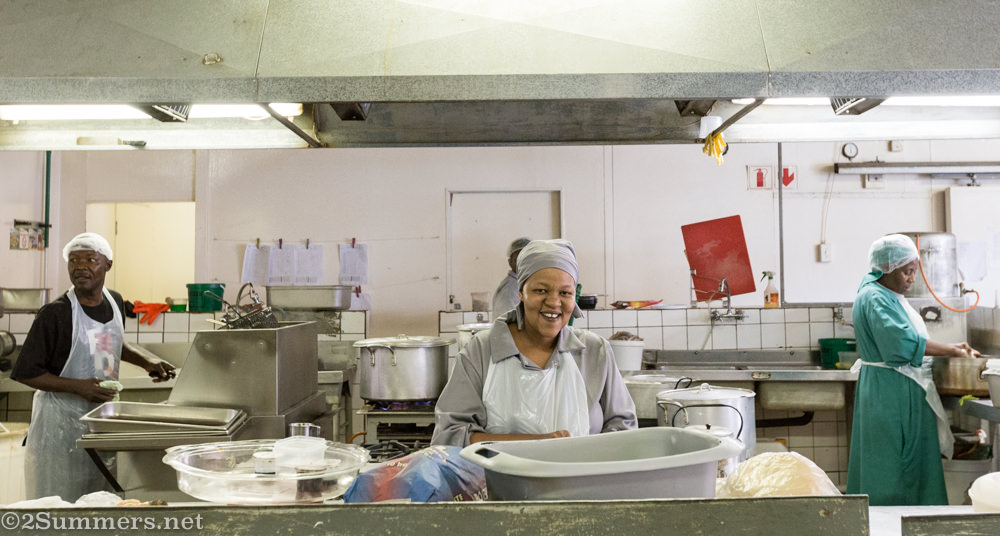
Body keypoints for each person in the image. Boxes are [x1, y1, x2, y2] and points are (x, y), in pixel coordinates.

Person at [11, 232, 176, 501]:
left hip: (100, 422)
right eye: (74, 260)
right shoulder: (56, 313)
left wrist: (146, 360)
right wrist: (79, 388)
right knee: (60, 502)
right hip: (58, 428)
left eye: (90, 259)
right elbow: (27, 371)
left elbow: (105, 342)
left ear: (108, 264)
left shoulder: (114, 301)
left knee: (100, 498)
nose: (80, 267)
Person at [433, 239, 636, 446]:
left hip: (581, 477)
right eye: (541, 290)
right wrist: (541, 443)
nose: (554, 302)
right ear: (521, 292)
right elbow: (449, 436)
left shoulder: (595, 351)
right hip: (496, 478)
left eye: (565, 293)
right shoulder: (482, 350)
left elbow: (624, 429)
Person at [846, 234, 980, 506]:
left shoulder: (886, 295)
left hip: (894, 387)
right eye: (907, 272)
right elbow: (899, 344)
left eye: (914, 272)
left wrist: (950, 346)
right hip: (892, 392)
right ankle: (897, 525)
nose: (912, 279)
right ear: (888, 267)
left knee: (897, 461)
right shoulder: (876, 298)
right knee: (896, 465)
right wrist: (951, 351)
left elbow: (907, 338)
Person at [491, 237, 531, 318]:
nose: (523, 262)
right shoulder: (511, 289)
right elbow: (510, 325)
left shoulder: (524, 284)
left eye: (527, 257)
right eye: (518, 258)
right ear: (510, 262)